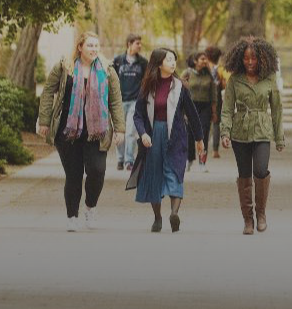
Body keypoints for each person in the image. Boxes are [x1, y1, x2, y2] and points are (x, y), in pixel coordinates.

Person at [37, 32, 124, 232]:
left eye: (96, 45)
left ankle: (90, 207)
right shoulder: (64, 67)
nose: (94, 49)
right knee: (74, 175)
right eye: (90, 45)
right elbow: (48, 91)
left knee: (97, 171)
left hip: (97, 132)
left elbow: (115, 101)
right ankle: (72, 216)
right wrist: (44, 121)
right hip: (68, 131)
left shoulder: (107, 70)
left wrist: (119, 128)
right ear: (80, 47)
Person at [132, 48, 205, 233]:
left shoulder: (180, 87)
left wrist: (199, 138)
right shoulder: (147, 86)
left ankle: (174, 214)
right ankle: (157, 217)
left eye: (174, 60)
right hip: (153, 135)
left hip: (176, 136)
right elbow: (138, 115)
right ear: (159, 63)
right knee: (155, 175)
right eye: (169, 60)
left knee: (175, 172)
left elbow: (192, 114)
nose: (173, 63)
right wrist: (143, 134)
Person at [219, 36, 285, 235]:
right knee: (244, 174)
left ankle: (261, 213)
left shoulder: (270, 78)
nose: (249, 62)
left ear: (262, 58)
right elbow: (227, 109)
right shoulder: (234, 80)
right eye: (246, 58)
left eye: (253, 58)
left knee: (261, 170)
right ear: (240, 59)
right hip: (239, 133)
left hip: (262, 131)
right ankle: (248, 219)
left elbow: (277, 109)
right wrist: (225, 132)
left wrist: (279, 137)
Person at [112, 34, 147, 171]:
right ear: (129, 44)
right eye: (137, 43)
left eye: (140, 43)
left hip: (135, 101)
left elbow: (147, 81)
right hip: (119, 101)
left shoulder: (143, 63)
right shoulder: (118, 61)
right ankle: (120, 159)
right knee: (119, 131)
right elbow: (111, 79)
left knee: (131, 131)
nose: (139, 46)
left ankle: (129, 160)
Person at [182, 51, 217, 173]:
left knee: (204, 134)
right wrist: (182, 110)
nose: (205, 61)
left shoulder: (209, 75)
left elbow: (213, 95)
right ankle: (189, 160)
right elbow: (180, 91)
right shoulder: (187, 73)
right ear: (195, 61)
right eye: (202, 59)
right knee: (190, 134)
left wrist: (214, 112)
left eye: (206, 59)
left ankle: (202, 162)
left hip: (205, 107)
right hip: (190, 106)